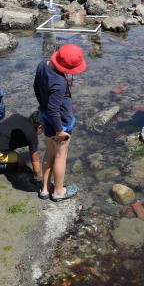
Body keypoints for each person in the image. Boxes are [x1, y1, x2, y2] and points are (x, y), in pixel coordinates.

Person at [34, 44, 87, 201]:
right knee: (60, 155)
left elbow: (36, 88)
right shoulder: (59, 83)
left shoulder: (43, 64)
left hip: (45, 115)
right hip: (60, 122)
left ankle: (44, 189)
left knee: (49, 151)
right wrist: (60, 131)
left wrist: (42, 108)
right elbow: (54, 109)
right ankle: (58, 192)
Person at [0, 111, 43, 185]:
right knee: (20, 161)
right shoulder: (32, 136)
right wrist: (38, 175)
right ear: (39, 127)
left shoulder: (17, 116)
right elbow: (35, 161)